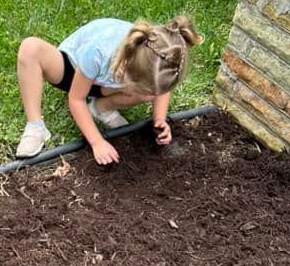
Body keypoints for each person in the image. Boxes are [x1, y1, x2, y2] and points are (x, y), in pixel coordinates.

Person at [14, 16, 202, 163]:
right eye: (143, 86)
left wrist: (160, 120)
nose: (152, 93)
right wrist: (97, 142)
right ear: (128, 67)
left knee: (149, 89)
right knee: (30, 48)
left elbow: (161, 88)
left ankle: (100, 108)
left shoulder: (158, 60)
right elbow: (76, 99)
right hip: (73, 71)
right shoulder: (98, 52)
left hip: (106, 84)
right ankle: (36, 126)